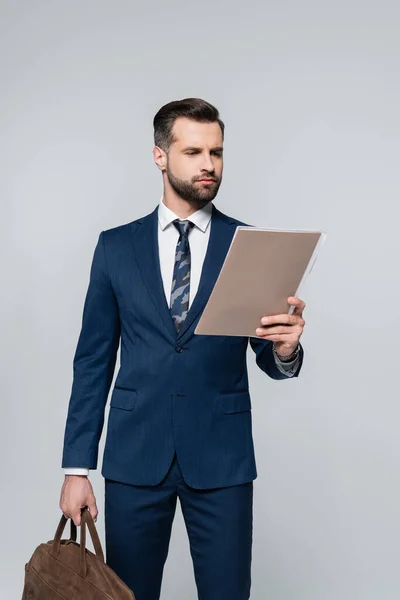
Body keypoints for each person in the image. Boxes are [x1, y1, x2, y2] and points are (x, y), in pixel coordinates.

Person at [59, 97, 306, 600]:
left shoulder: (249, 244)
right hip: (134, 457)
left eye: (216, 152)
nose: (209, 164)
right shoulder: (115, 247)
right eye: (193, 151)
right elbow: (92, 364)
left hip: (222, 459)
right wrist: (76, 469)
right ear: (160, 156)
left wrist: (284, 350)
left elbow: (267, 354)